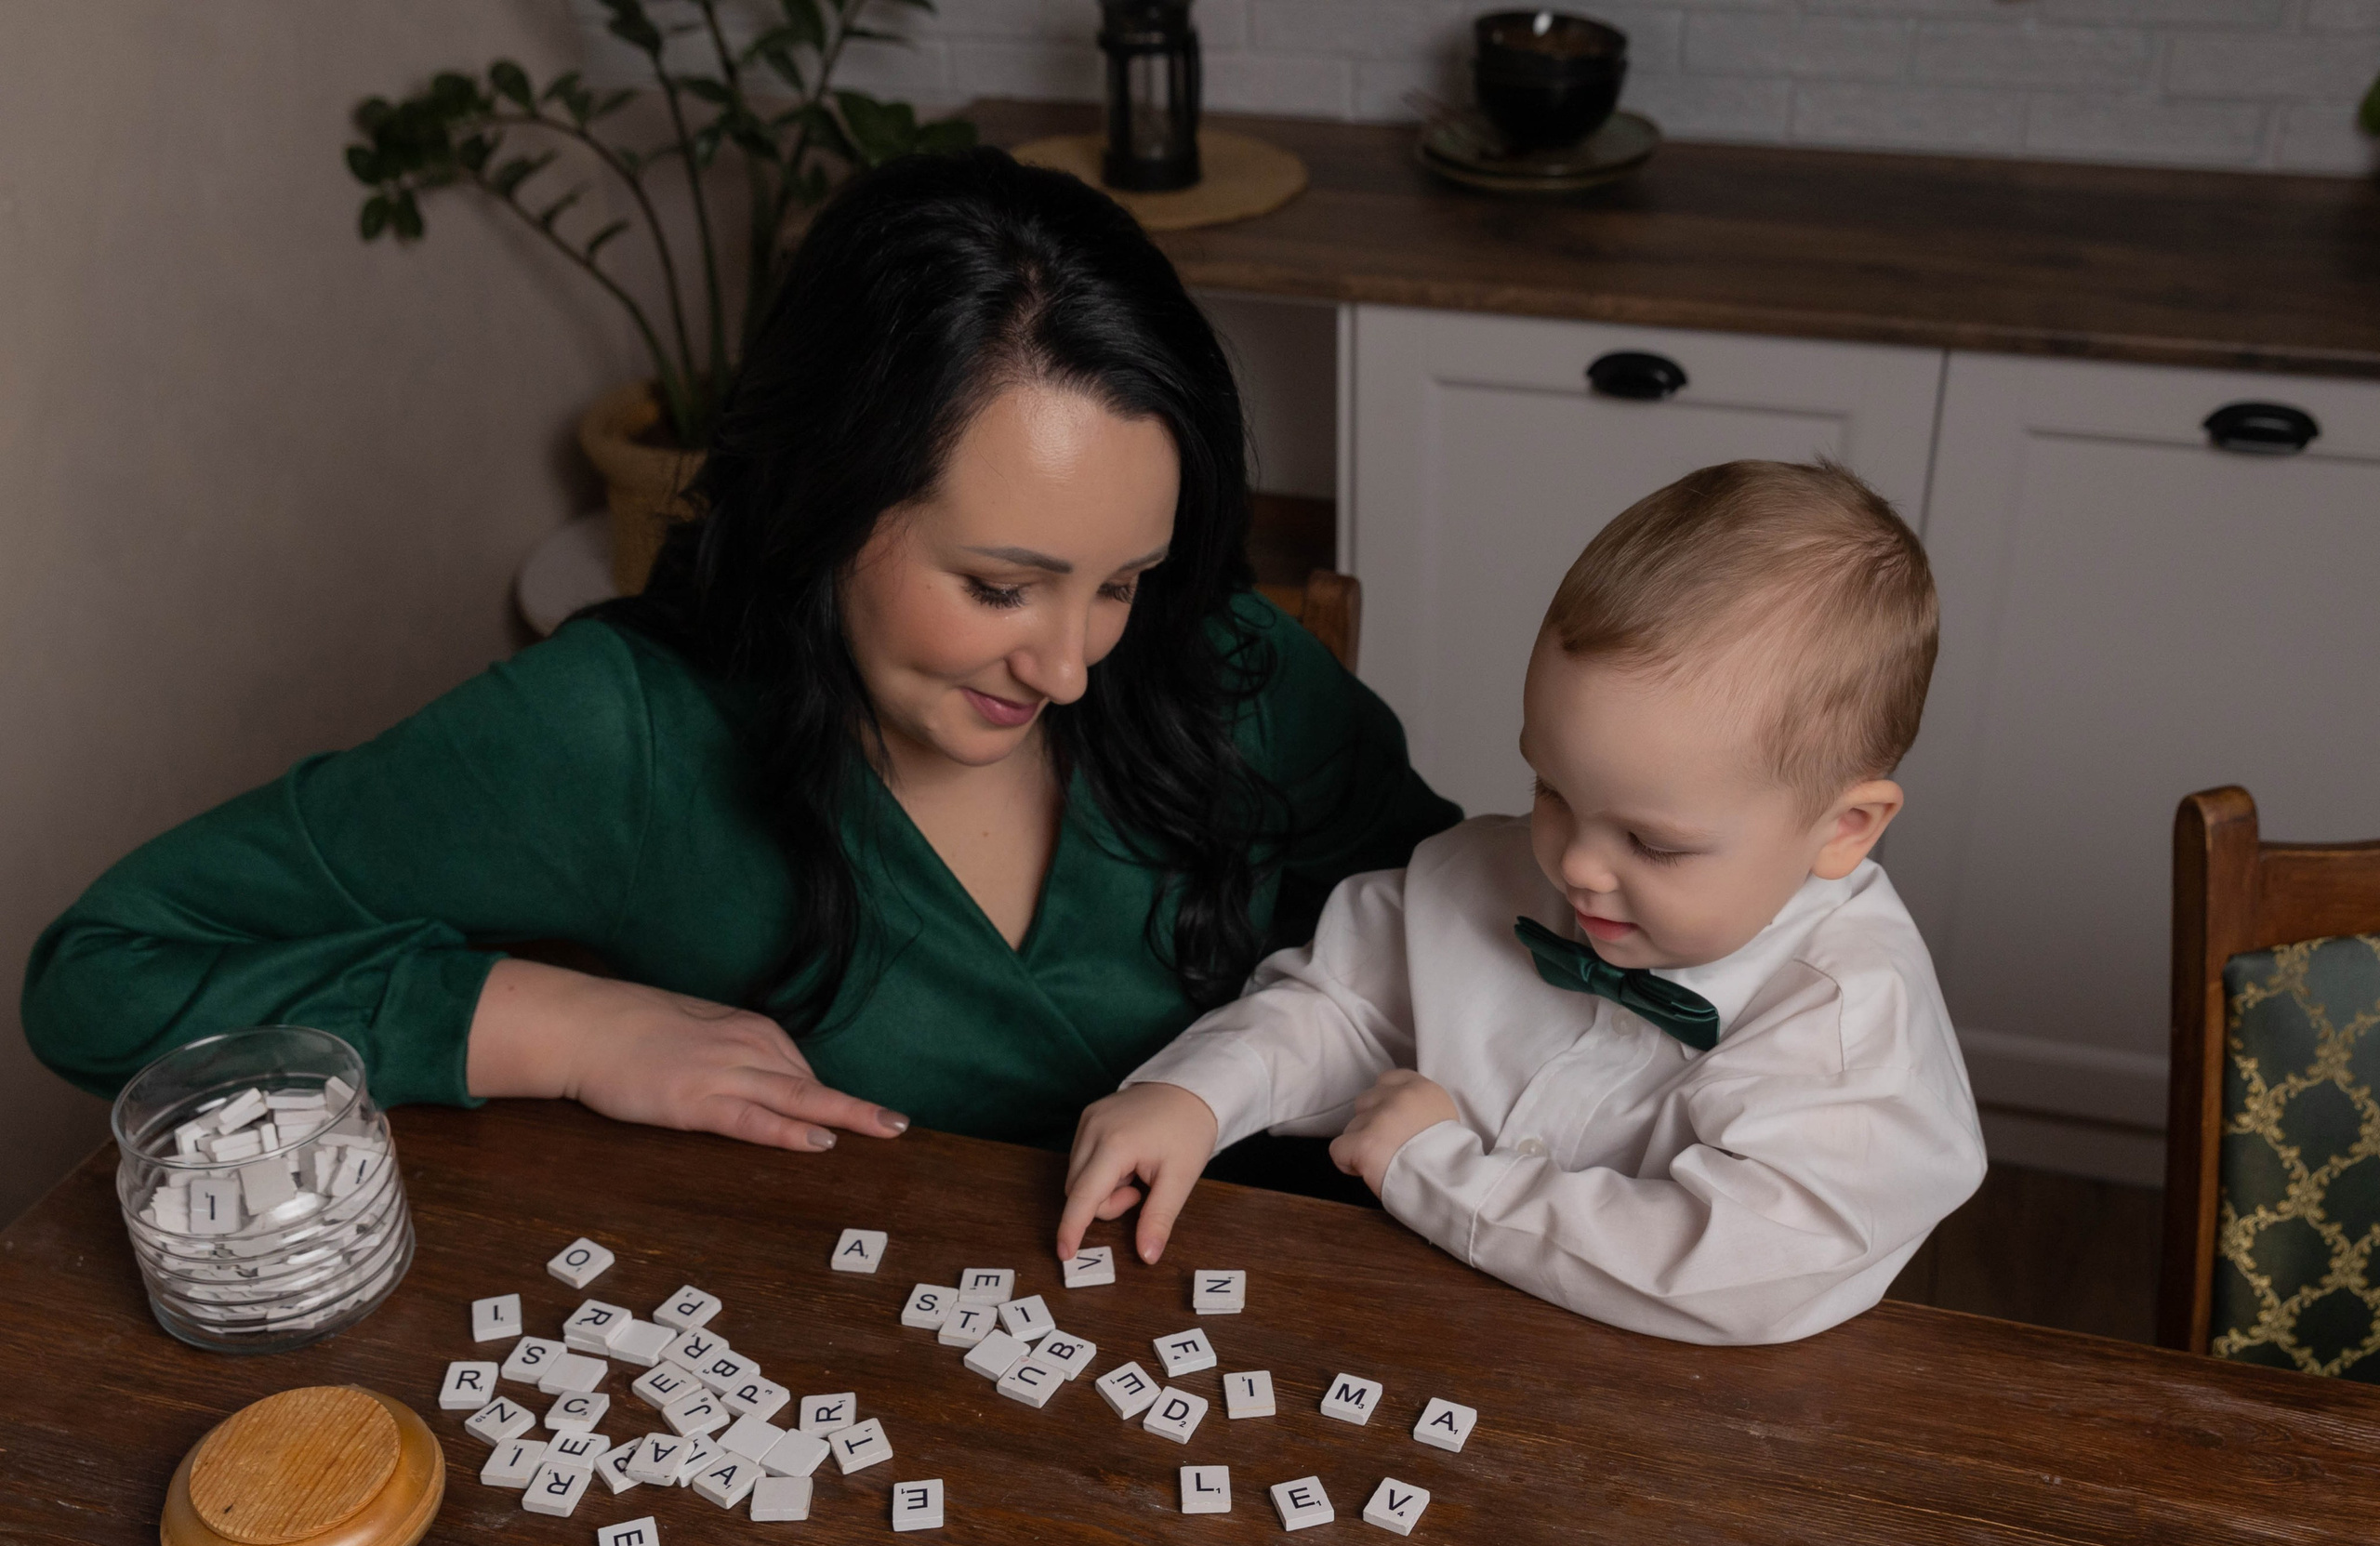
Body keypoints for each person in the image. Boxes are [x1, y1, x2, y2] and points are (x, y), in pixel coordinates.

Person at [21, 149, 1458, 1204]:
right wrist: (558, 1025)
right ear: (825, 503)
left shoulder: (1235, 673)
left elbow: (1501, 948)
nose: (1075, 665)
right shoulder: (613, 737)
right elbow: (104, 976)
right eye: (1001, 586)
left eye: (1125, 581)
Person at [1060, 460, 1985, 1343]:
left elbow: (1735, 1271)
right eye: (1550, 790)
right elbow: (1338, 1005)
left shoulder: (1850, 1032)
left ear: (1844, 829)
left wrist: (1440, 1172)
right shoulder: (1485, 877)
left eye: (1650, 842)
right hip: (1410, 1327)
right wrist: (1198, 1092)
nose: (1575, 864)